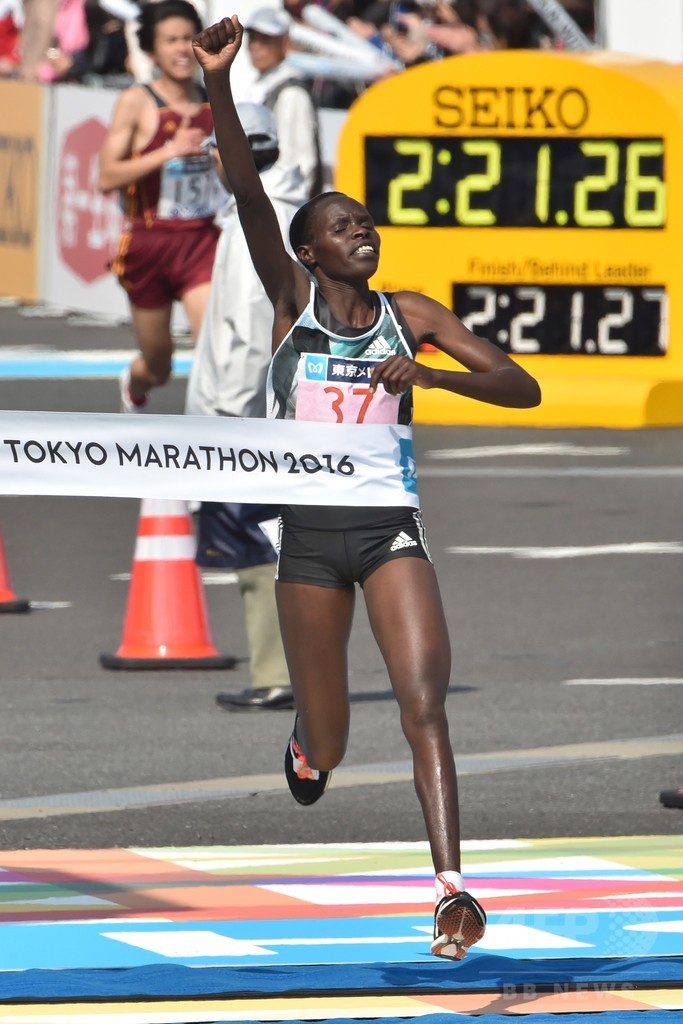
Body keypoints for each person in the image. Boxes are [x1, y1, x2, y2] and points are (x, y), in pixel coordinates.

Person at [192, 14, 541, 960]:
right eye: (341, 228)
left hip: (389, 530)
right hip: (307, 539)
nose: (362, 233)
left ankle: (452, 891)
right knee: (334, 742)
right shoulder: (291, 302)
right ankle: (309, 744)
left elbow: (522, 384)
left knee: (423, 701)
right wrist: (219, 85)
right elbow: (254, 196)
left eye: (365, 222)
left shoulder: (411, 316)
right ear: (307, 254)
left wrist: (432, 376)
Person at [185, 101, 307, 712]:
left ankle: (277, 673)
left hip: (243, 420)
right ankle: (284, 670)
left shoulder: (258, 222)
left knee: (258, 544)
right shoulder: (267, 215)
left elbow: (250, 328)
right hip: (256, 413)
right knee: (271, 545)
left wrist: (225, 425)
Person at [98, 0, 221, 412]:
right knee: (159, 364)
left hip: (201, 241)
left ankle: (212, 444)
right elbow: (106, 177)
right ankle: (135, 381)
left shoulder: (212, 99)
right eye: (171, 41)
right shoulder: (137, 101)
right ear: (153, 50)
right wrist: (168, 152)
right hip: (149, 244)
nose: (182, 49)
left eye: (189, 38)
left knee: (213, 351)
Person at [243, 6, 322, 198]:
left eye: (266, 40)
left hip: (280, 206)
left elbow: (299, 164)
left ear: (285, 43)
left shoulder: (291, 92)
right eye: (253, 39)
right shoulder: (263, 85)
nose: (256, 47)